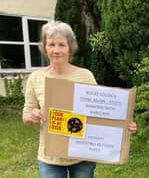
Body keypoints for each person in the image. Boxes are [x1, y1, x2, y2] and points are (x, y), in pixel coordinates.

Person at [22, 21, 137, 178]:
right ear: (44, 47)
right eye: (51, 44)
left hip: (82, 154)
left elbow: (100, 110)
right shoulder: (35, 78)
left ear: (70, 47)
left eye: (62, 45)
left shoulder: (85, 75)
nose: (56, 50)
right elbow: (27, 114)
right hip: (50, 157)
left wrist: (123, 125)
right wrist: (31, 117)